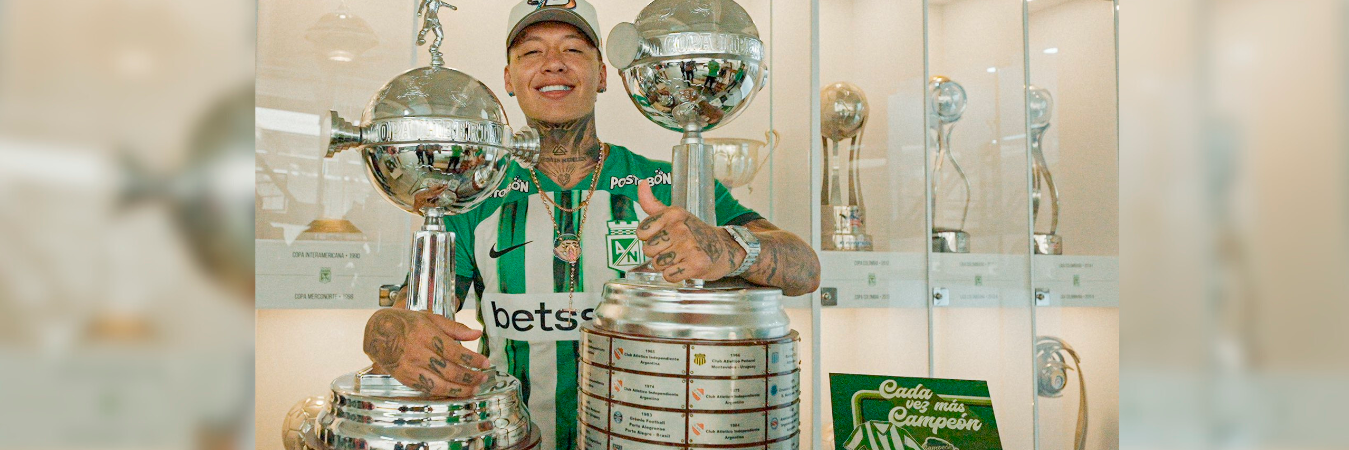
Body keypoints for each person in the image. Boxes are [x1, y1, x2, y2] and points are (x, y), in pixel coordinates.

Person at [361, 1, 821, 448]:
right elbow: (417, 317)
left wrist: (730, 248)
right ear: (508, 79)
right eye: (532, 52)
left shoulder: (664, 183)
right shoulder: (471, 197)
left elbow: (805, 269)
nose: (554, 65)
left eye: (574, 50)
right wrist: (387, 332)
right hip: (520, 438)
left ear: (603, 75)